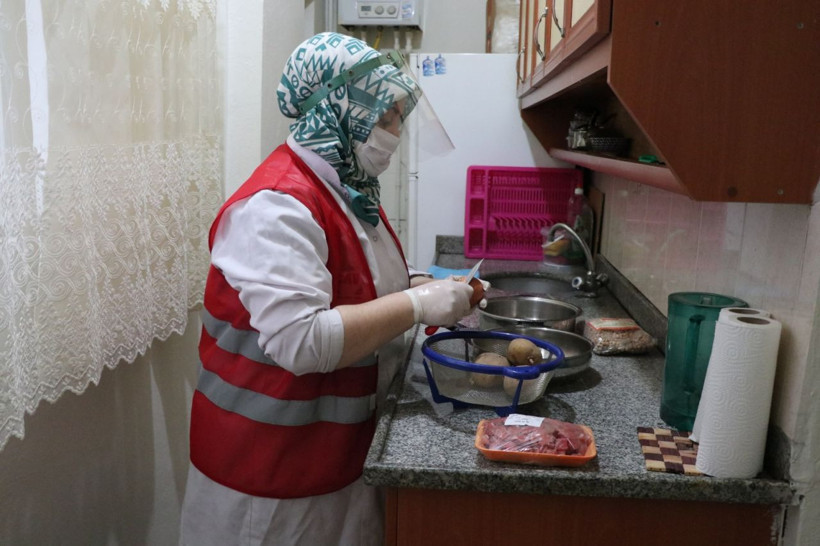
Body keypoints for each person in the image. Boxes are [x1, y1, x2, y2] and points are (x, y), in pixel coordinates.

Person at [179, 32, 484, 545]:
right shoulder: (277, 206)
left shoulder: (347, 190)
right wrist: (416, 303)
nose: (392, 132)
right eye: (384, 116)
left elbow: (353, 286)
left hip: (333, 459)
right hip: (267, 479)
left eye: (397, 119)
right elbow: (301, 341)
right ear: (337, 110)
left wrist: (421, 286)